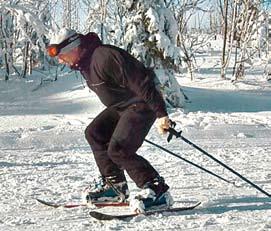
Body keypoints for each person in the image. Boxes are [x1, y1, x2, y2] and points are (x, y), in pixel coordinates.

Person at [47, 28, 173, 212]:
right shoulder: (85, 63)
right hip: (122, 106)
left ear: (74, 47)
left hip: (141, 105)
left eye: (62, 55)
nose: (60, 60)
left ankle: (158, 191)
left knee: (119, 149)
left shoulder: (104, 56)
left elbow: (142, 80)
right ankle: (115, 186)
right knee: (95, 133)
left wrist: (162, 114)